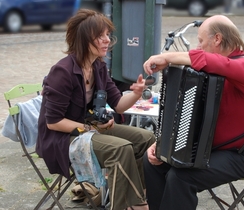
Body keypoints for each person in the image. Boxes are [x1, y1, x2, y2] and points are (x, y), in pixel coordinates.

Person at [143, 15, 244, 210]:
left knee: (181, 177)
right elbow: (195, 119)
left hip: (243, 155)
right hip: (212, 149)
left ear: (217, 39)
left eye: (201, 41)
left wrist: (166, 57)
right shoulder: (214, 73)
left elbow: (213, 61)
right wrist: (162, 145)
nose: (198, 47)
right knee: (153, 162)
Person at [36, 9, 155, 210]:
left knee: (146, 139)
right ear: (83, 39)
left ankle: (138, 198)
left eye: (108, 34)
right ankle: (133, 206)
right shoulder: (63, 72)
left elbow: (117, 104)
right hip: (62, 138)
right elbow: (53, 122)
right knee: (120, 149)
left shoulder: (98, 66)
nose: (107, 40)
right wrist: (90, 128)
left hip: (88, 129)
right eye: (100, 36)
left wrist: (135, 93)